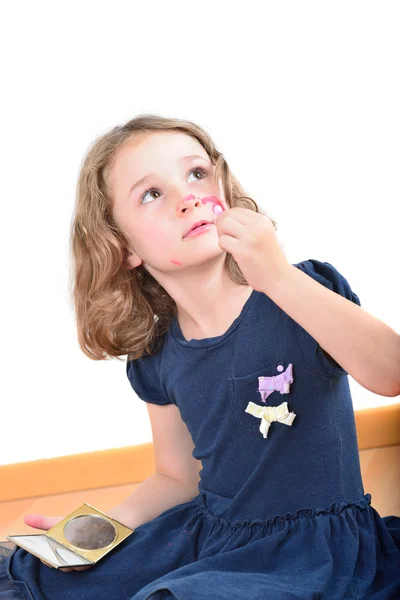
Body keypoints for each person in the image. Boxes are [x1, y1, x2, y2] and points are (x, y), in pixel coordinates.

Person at [1, 114, 399, 599]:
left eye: (196, 175)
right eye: (152, 194)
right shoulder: (156, 354)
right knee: (36, 573)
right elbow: (174, 476)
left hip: (317, 551)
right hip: (212, 535)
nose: (187, 197)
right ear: (122, 246)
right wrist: (91, 536)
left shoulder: (299, 292)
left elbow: (389, 372)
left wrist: (274, 275)